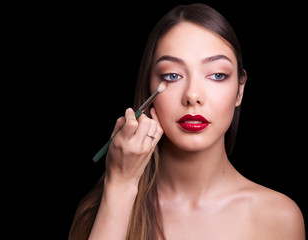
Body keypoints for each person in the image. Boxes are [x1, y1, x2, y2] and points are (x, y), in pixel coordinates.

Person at [69, 4, 305, 240]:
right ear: (149, 87)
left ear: (239, 90)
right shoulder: (99, 209)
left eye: (217, 75)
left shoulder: (278, 217)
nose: (193, 95)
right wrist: (120, 185)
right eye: (172, 75)